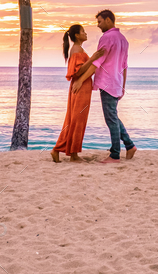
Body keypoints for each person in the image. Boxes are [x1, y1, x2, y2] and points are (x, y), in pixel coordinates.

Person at [74, 9, 136, 164]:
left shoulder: (107, 38)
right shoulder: (123, 39)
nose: (98, 25)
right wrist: (123, 86)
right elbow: (124, 66)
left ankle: (115, 155)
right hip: (116, 82)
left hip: (107, 83)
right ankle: (129, 146)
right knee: (113, 116)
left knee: (111, 119)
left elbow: (96, 63)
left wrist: (81, 79)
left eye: (100, 22)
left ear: (109, 20)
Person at [51, 24, 104, 163]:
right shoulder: (77, 50)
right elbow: (78, 72)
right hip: (80, 88)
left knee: (74, 120)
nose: (86, 34)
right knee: (77, 121)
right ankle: (69, 154)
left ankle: (64, 151)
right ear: (76, 35)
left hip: (82, 87)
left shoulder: (78, 49)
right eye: (83, 32)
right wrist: (92, 58)